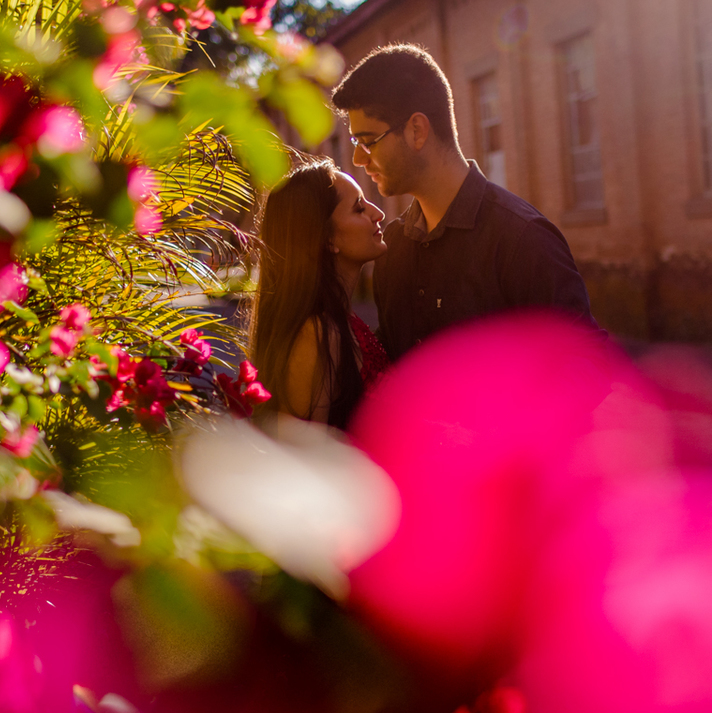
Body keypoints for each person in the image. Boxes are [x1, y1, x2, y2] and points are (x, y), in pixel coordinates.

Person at [330, 44, 601, 360]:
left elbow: (585, 369)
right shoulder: (392, 246)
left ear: (417, 130)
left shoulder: (522, 240)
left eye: (367, 141)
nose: (357, 159)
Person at [250, 156, 390, 430]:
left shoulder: (341, 321)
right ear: (327, 239)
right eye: (359, 208)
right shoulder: (314, 335)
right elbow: (301, 461)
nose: (378, 214)